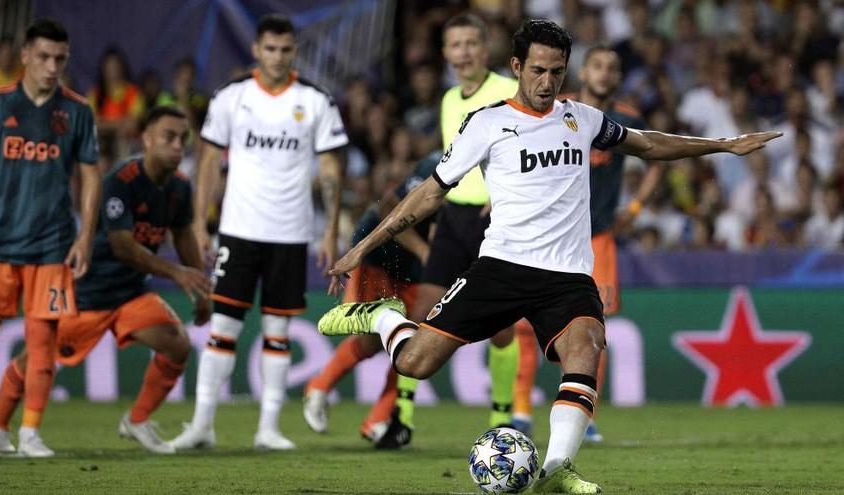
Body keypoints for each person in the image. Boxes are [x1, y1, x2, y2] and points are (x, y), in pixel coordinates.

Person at [318, 19, 779, 493]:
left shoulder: (582, 118)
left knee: (587, 347)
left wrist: (722, 146)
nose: (547, 82)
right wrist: (363, 246)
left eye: (557, 72)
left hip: (566, 275)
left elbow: (646, 143)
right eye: (538, 70)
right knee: (415, 362)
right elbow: (429, 194)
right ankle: (383, 317)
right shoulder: (487, 123)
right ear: (517, 66)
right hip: (501, 266)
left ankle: (557, 469)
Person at [0, 105, 211, 455]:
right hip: (88, 291)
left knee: (177, 343)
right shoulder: (121, 181)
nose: (178, 145)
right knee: (37, 359)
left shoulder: (180, 187)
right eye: (169, 137)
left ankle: (137, 420)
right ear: (147, 140)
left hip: (131, 295)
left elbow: (182, 235)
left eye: (183, 139)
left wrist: (200, 286)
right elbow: (123, 247)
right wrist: (176, 272)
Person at [172, 13, 347, 451]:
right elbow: (209, 161)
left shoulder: (316, 101)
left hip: (291, 232)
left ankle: (268, 428)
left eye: (285, 50)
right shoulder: (232, 98)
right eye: (269, 49)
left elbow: (330, 169)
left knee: (278, 331)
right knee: (224, 327)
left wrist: (328, 231)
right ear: (256, 50)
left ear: (295, 52)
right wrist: (198, 221)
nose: (277, 57)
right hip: (240, 230)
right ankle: (201, 425)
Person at [0, 18, 101, 458]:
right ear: (24, 56)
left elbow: (91, 176)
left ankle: (28, 433)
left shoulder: (77, 111)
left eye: (59, 59)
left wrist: (85, 237)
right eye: (43, 57)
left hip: (51, 245)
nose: (51, 66)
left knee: (42, 344)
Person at [511, 45, 663, 441]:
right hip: (552, 233)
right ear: (585, 71)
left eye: (612, 68)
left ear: (617, 77)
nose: (605, 73)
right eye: (597, 65)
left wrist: (635, 205)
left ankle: (586, 416)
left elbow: (655, 160)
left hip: (598, 239)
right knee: (526, 323)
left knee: (595, 327)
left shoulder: (627, 118)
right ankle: (521, 408)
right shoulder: (560, 109)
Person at [392, 12, 522, 442]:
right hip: (453, 219)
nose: (463, 52)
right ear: (446, 53)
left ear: (485, 50)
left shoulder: (509, 91)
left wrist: (502, 190)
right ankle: (402, 417)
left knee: (502, 330)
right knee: (422, 312)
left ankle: (501, 418)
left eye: (471, 43)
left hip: (496, 220)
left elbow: (532, 143)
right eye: (455, 45)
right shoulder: (449, 99)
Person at [302, 151, 437, 448]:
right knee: (375, 338)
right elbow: (389, 205)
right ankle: (319, 387)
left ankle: (379, 419)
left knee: (414, 342)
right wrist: (426, 251)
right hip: (381, 255)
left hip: (418, 269)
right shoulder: (439, 161)